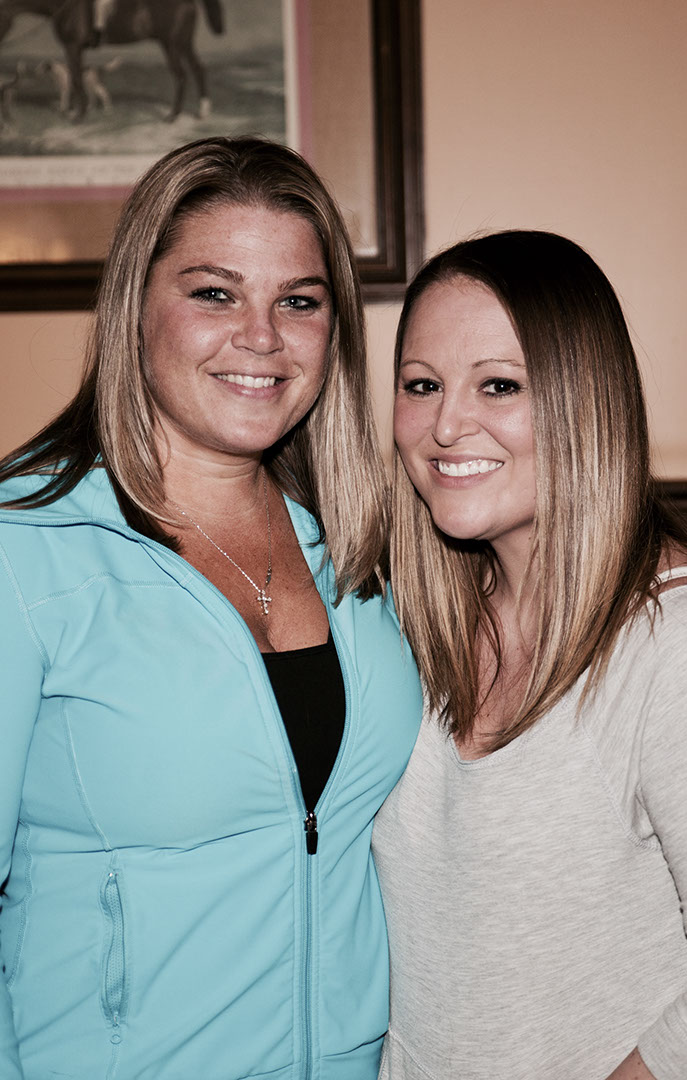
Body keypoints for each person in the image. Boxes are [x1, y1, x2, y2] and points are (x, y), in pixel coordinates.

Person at [0, 135, 422, 1080]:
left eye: (299, 301)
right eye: (215, 293)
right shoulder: (22, 547)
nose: (261, 337)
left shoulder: (366, 548)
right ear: (135, 307)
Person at [372, 230, 687, 1080]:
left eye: (499, 385)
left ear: (587, 402)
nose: (446, 425)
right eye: (422, 385)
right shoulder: (415, 622)